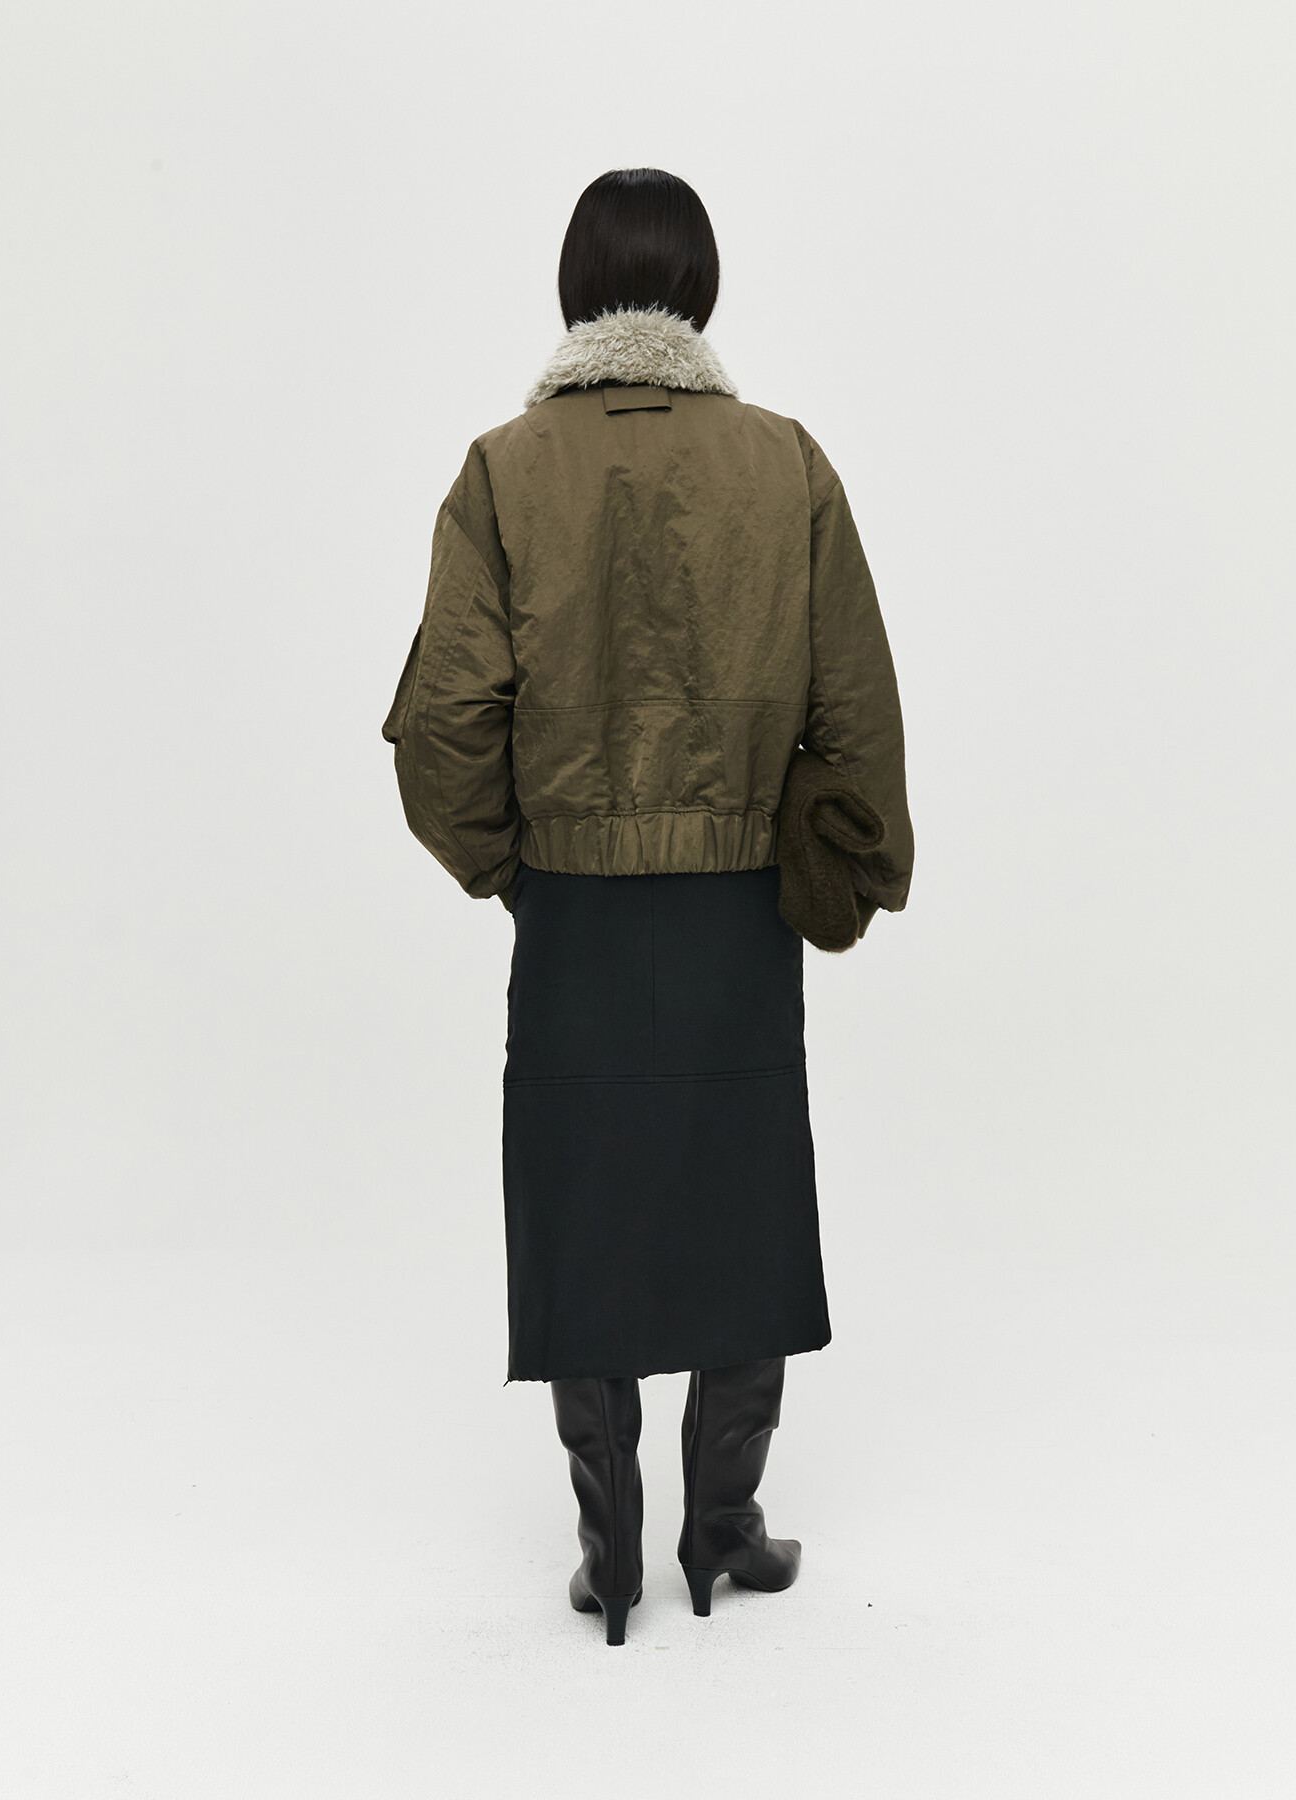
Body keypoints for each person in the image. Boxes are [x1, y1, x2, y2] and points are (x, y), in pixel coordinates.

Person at [382, 168, 913, 1646]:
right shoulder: (785, 462)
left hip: (574, 904)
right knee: (745, 1191)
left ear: (575, 290)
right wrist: (857, 866)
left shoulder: (504, 470)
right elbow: (855, 703)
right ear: (702, 290)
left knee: (583, 1194)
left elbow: (444, 721)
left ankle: (608, 1548)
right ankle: (724, 1527)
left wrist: (513, 864)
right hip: (739, 899)